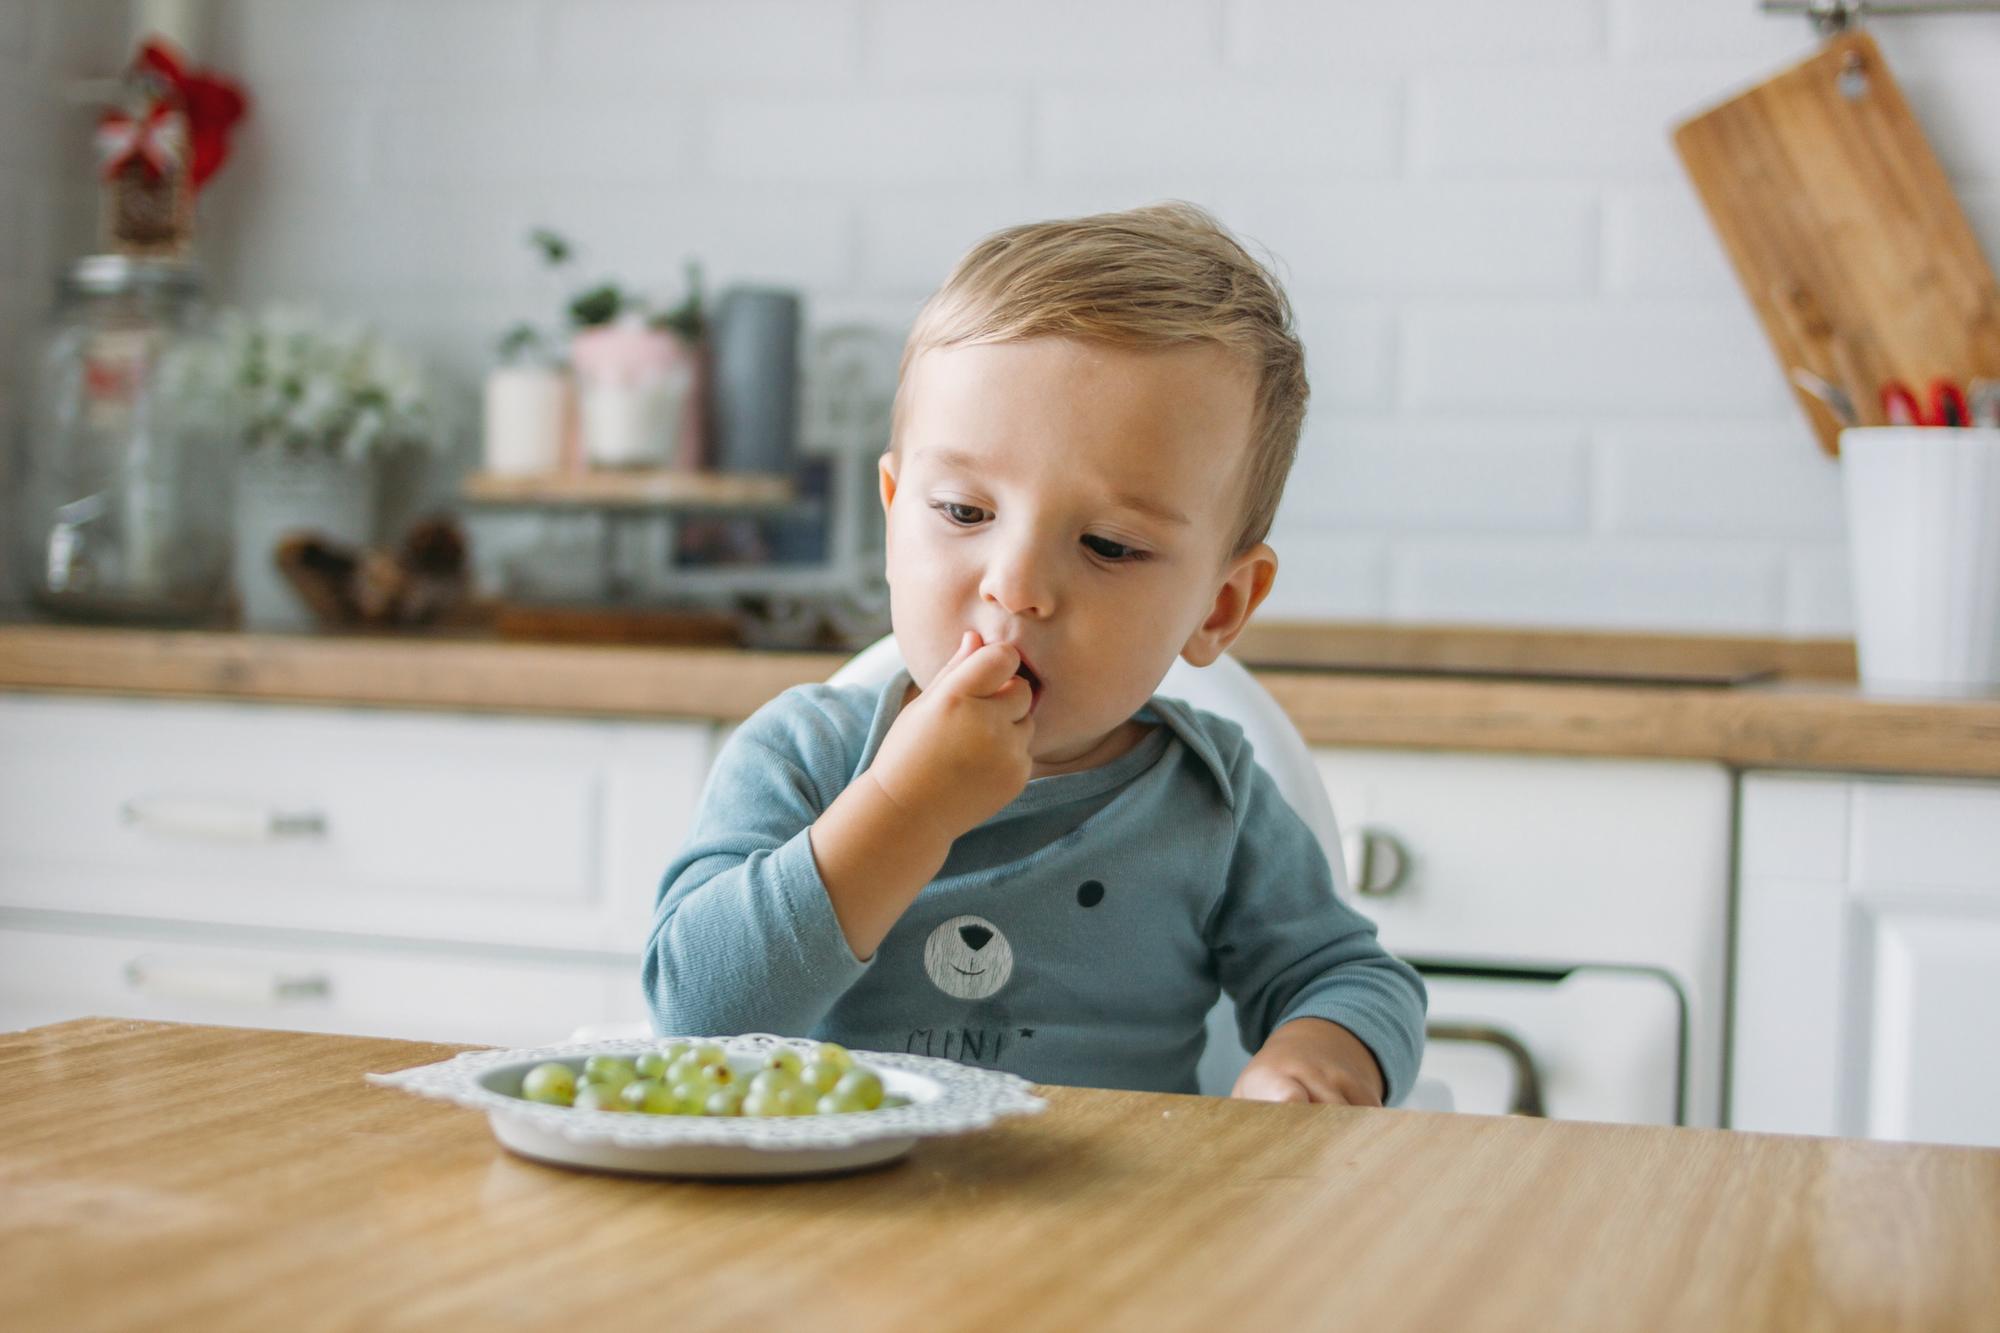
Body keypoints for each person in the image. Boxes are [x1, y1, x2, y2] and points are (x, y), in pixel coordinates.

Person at [644, 202, 1426, 1105]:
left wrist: (1314, 1062)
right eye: (965, 513)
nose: (1015, 586)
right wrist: (905, 806)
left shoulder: (1212, 801)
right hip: (838, 1226)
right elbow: (696, 1011)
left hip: (1119, 1233)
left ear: (1219, 605)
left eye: (1109, 546)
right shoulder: (803, 757)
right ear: (896, 516)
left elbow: (1356, 978)